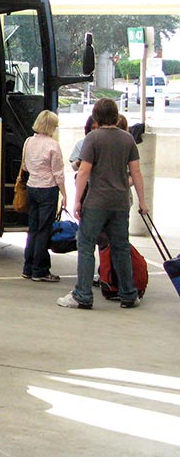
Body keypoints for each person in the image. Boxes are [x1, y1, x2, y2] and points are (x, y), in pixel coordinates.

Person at [58, 98, 148, 310]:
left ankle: (83, 295)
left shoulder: (93, 138)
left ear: (96, 116)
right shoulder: (128, 139)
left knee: (86, 246)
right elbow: (136, 172)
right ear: (116, 116)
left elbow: (84, 171)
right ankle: (128, 294)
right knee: (120, 247)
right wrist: (142, 202)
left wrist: (77, 200)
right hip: (120, 203)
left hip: (97, 201)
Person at [19, 110, 67, 282]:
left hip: (32, 187)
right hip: (48, 189)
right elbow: (58, 173)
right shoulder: (53, 145)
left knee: (32, 229)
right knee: (43, 230)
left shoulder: (28, 142)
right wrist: (64, 193)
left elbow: (24, 167)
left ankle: (28, 267)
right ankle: (40, 270)